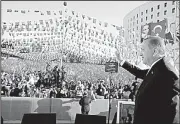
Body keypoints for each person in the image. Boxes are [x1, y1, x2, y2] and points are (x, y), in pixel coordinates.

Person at [115, 36, 179, 124]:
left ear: (155, 51)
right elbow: (139, 72)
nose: (140, 53)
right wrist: (122, 61)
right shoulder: (158, 68)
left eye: (143, 49)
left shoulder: (166, 72)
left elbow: (171, 111)